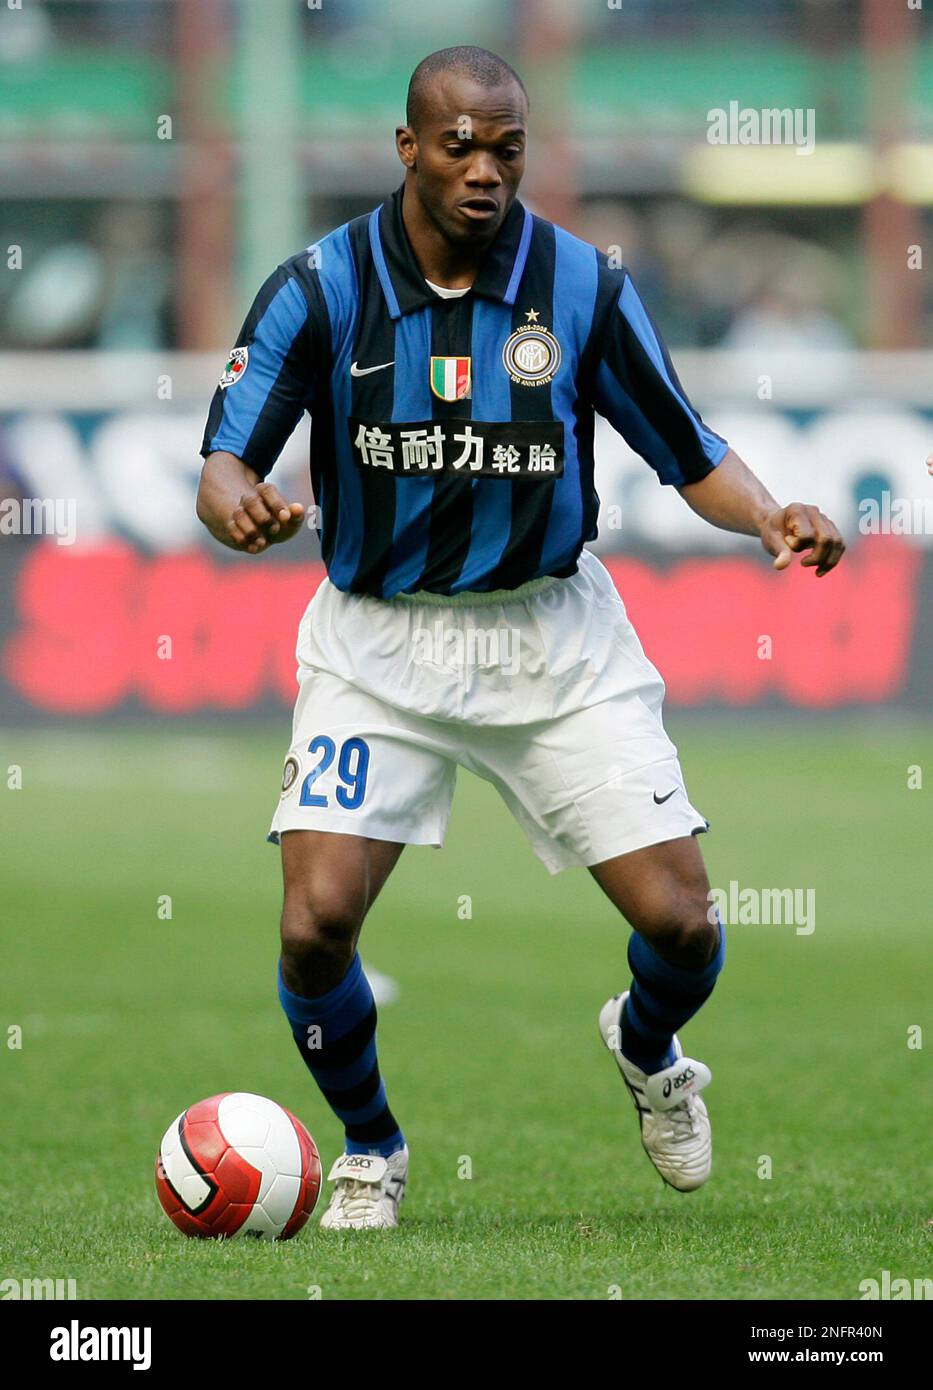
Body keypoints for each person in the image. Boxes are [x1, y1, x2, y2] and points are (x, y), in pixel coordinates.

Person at [196, 46, 845, 1230]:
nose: (486, 170)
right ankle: (371, 1148)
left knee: (685, 926)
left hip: (552, 643)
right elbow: (225, 457)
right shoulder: (319, 287)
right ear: (408, 148)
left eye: (509, 147)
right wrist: (235, 498)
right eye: (460, 145)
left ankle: (647, 1048)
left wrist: (771, 515)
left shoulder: (584, 285)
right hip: (377, 647)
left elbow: (687, 448)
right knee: (313, 924)